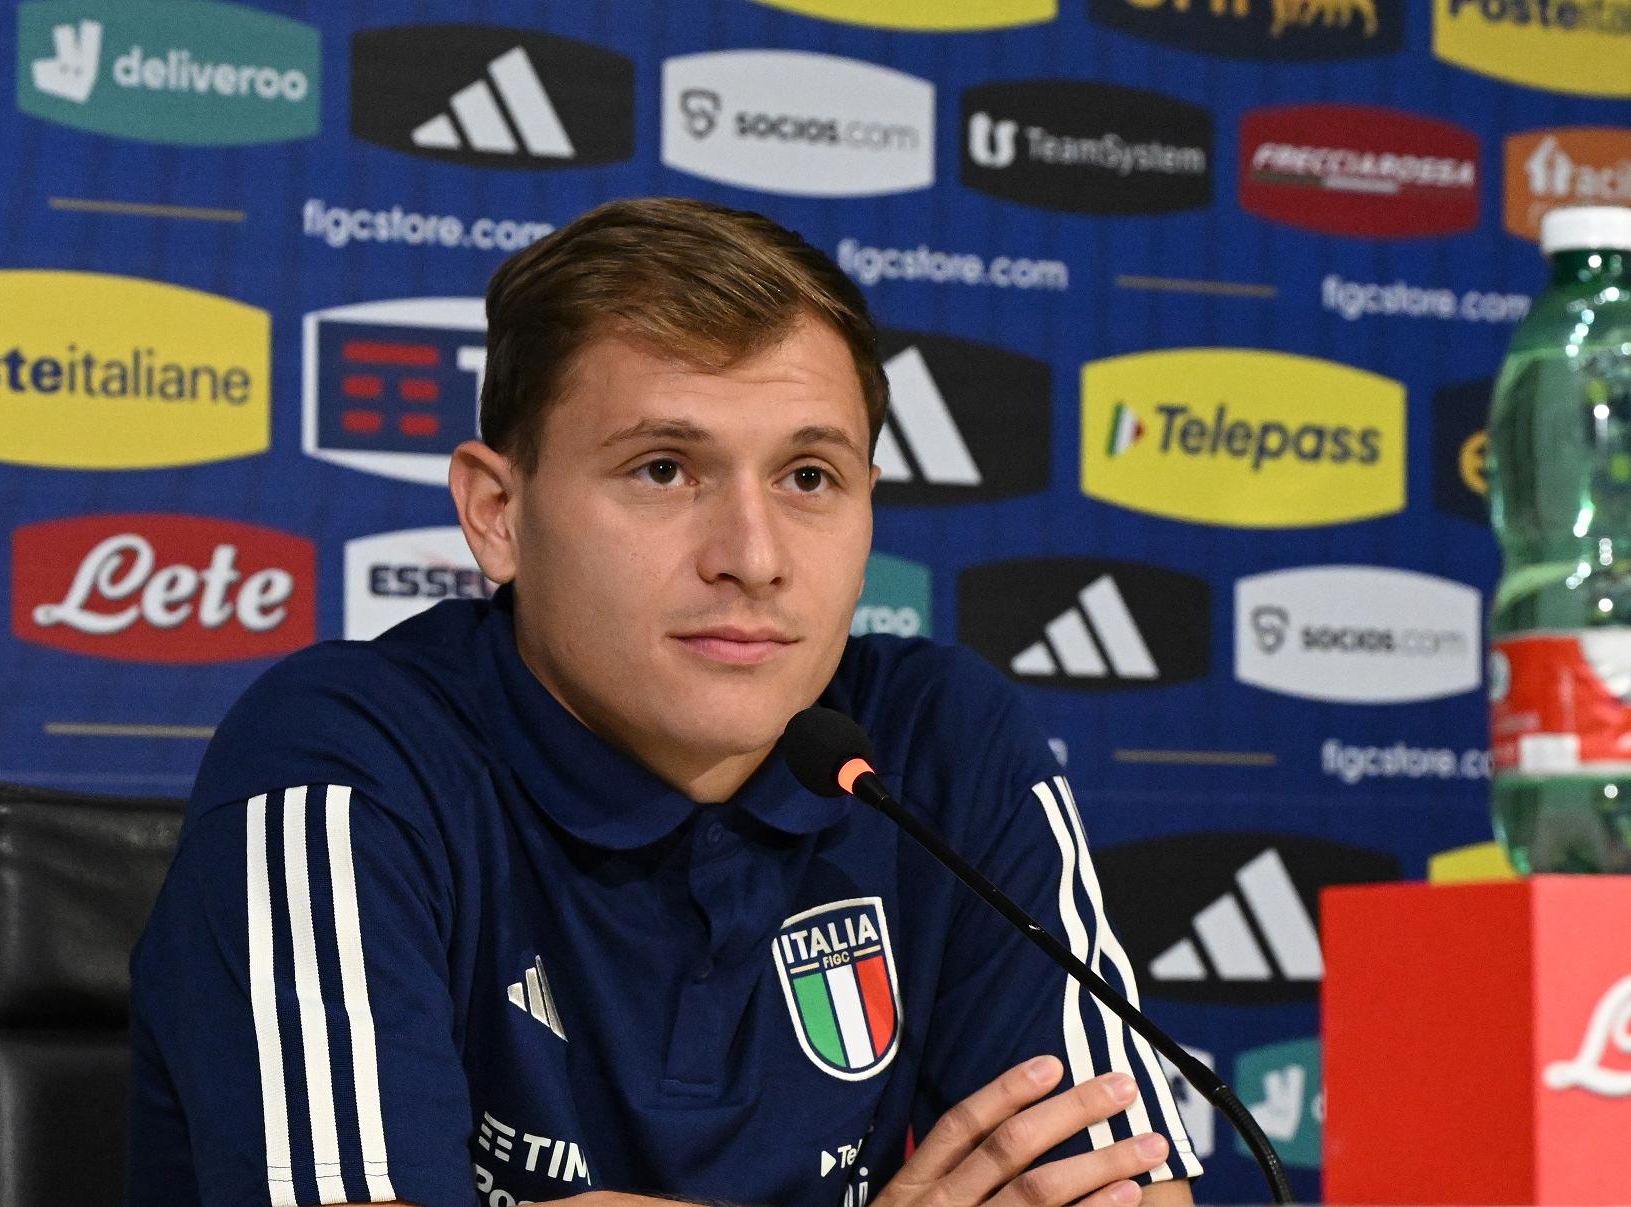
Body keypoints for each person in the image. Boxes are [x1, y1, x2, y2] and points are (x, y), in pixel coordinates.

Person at [127, 197, 1202, 1207]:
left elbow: (1130, 1189)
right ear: (498, 513)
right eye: (661, 469)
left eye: (809, 478)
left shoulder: (932, 746)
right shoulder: (340, 752)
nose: (752, 556)